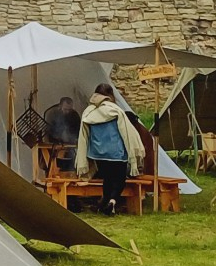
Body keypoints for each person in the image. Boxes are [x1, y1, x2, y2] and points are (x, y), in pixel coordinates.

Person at [78, 83, 143, 216]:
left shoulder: (89, 112)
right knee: (119, 179)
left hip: (98, 153)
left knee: (107, 179)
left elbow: (85, 134)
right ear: (110, 95)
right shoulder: (115, 110)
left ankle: (105, 204)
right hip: (116, 152)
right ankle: (112, 202)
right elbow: (126, 131)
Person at [43, 96, 81, 171]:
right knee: (52, 165)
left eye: (70, 110)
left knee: (69, 164)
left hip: (69, 144)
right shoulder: (51, 113)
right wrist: (47, 146)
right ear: (60, 106)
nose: (68, 112)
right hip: (53, 142)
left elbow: (78, 131)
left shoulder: (74, 115)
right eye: (65, 109)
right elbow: (46, 131)